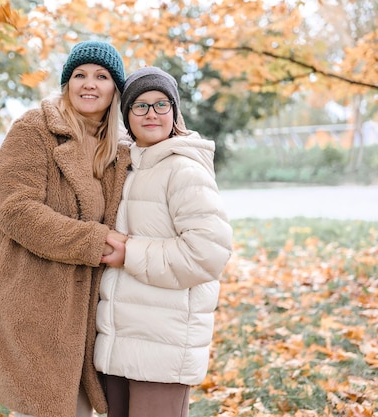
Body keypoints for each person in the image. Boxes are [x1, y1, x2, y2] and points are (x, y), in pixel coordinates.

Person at [0, 40, 132, 417]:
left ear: (116, 88)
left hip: (86, 308)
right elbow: (15, 208)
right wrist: (93, 241)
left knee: (76, 407)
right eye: (79, 75)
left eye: (101, 76)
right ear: (67, 84)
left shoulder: (116, 146)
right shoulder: (35, 130)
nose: (89, 84)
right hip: (33, 295)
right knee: (42, 406)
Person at [95, 66, 234, 417]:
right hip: (120, 337)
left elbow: (208, 254)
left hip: (164, 343)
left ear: (175, 111)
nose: (152, 113)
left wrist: (131, 252)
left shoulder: (184, 170)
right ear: (126, 115)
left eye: (161, 104)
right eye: (140, 105)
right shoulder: (124, 166)